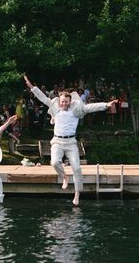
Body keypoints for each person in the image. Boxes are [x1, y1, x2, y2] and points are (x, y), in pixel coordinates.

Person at [24, 75, 118, 206]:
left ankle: (77, 194)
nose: (63, 103)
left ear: (70, 102)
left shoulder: (76, 110)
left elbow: (90, 107)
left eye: (66, 101)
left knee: (77, 168)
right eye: (62, 101)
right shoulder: (55, 107)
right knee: (54, 162)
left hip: (71, 143)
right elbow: (42, 97)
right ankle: (64, 177)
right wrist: (31, 86)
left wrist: (106, 105)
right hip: (57, 141)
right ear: (59, 101)